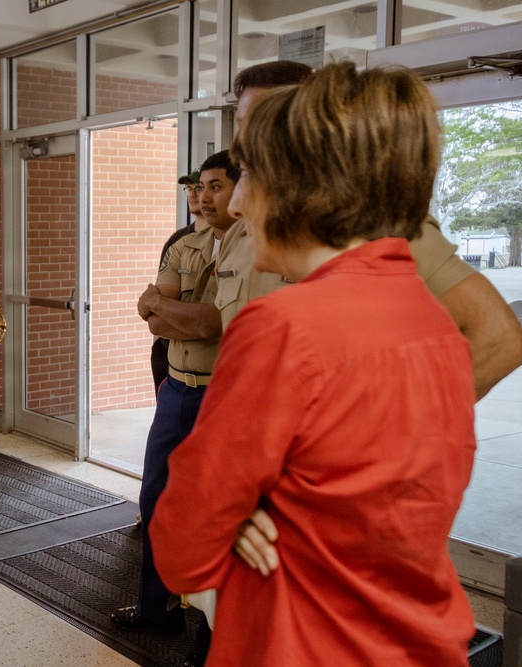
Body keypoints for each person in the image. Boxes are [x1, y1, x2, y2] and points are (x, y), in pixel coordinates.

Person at [151, 62, 478, 666]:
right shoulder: (432, 323)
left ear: (300, 185)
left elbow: (182, 545)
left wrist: (243, 517)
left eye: (248, 176)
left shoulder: (282, 326)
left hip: (300, 642)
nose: (239, 204)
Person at [224, 59, 522, 578]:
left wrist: (360, 455)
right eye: (246, 123)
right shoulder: (245, 221)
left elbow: (499, 338)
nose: (257, 137)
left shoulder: (379, 226)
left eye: (275, 118)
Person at [114, 151, 236, 632]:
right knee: (156, 502)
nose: (203, 198)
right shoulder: (186, 243)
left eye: (216, 186)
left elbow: (217, 322)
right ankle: (155, 609)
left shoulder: (252, 247)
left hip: (220, 396)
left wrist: (173, 313)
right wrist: (183, 317)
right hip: (177, 391)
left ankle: (213, 633)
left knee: (213, 513)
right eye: (199, 188)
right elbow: (151, 317)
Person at [150, 169, 204, 394]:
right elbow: (157, 312)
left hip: (203, 362)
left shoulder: (232, 241)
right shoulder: (178, 240)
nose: (193, 195)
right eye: (188, 189)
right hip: (167, 352)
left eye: (198, 188)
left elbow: (215, 321)